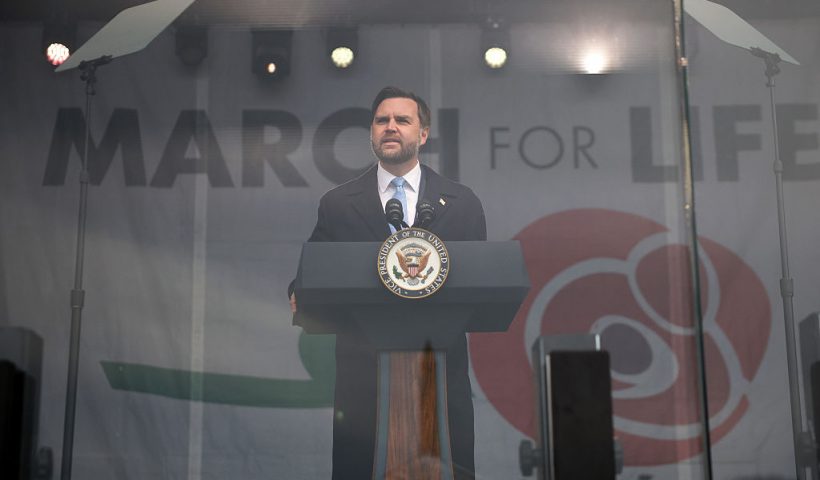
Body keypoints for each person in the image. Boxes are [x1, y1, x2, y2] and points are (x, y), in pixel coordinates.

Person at [290, 86, 486, 479]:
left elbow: (483, 279)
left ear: (423, 134)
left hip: (440, 376)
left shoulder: (461, 202)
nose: (390, 127)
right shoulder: (339, 203)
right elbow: (311, 277)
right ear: (372, 132)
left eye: (402, 120)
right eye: (382, 121)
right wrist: (298, 292)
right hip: (364, 383)